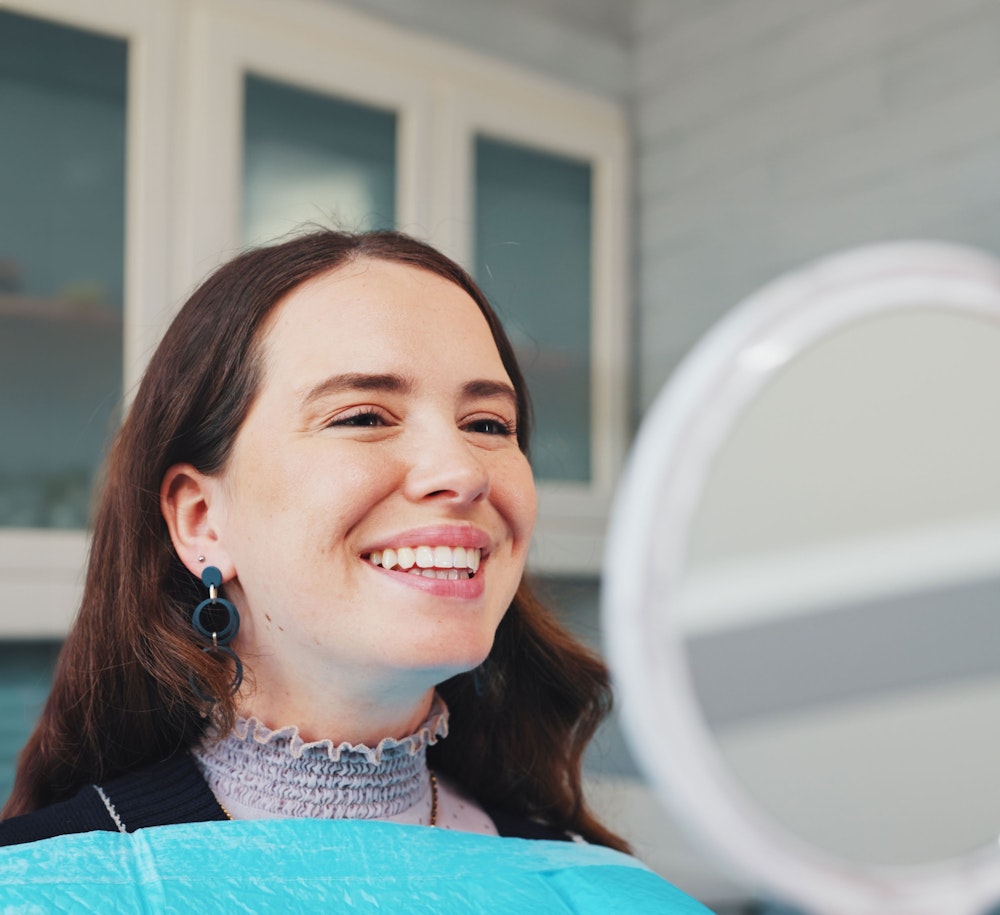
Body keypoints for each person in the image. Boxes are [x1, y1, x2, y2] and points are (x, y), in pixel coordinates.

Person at [0, 229, 709, 912]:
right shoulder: (41, 882)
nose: (462, 472)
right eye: (365, 415)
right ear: (201, 520)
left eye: (490, 424)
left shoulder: (594, 885)